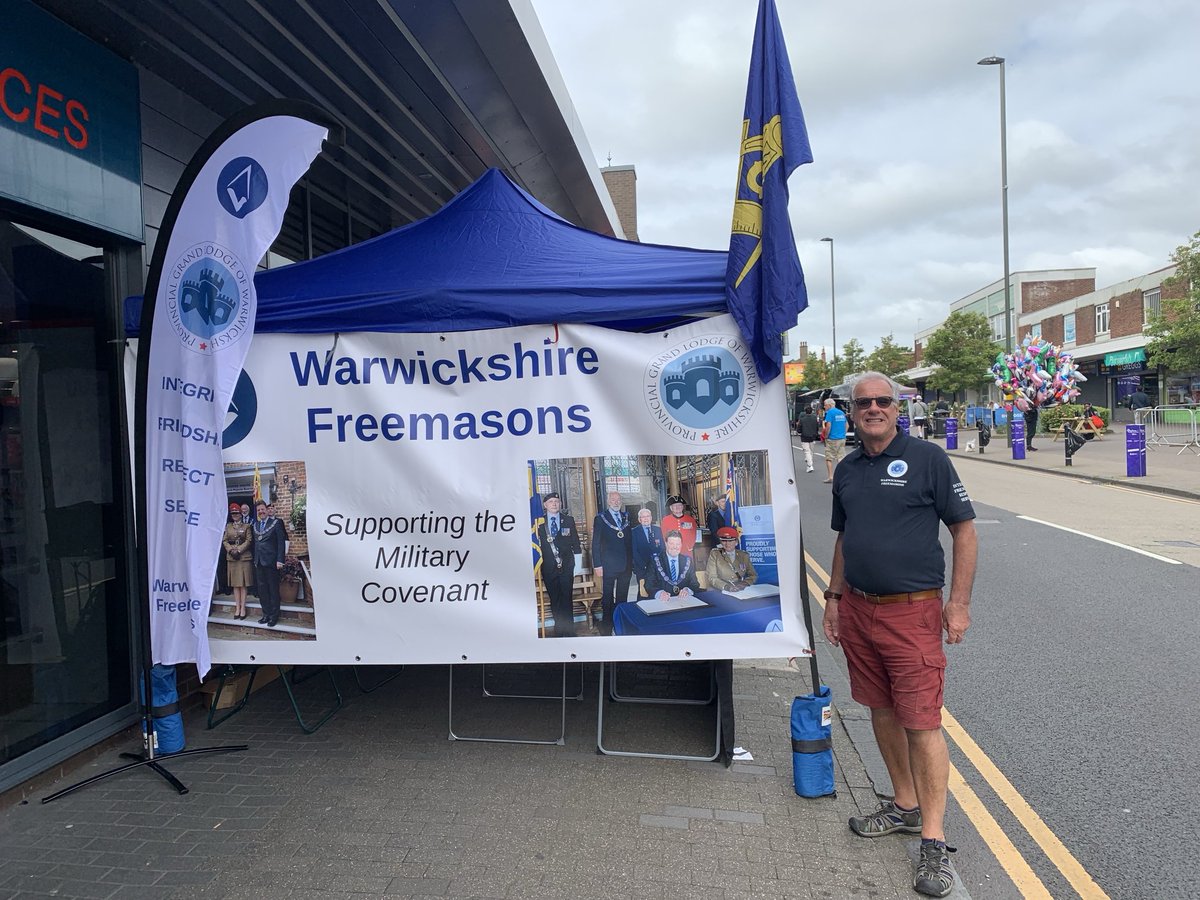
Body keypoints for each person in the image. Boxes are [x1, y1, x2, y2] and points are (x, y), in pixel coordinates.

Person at [823, 370, 977, 899]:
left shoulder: (928, 458)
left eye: (882, 401)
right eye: (863, 402)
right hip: (860, 611)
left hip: (912, 613)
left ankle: (933, 841)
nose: (872, 408)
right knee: (881, 711)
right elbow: (845, 538)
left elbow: (963, 529)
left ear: (897, 407)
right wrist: (834, 599)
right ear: (851, 409)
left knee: (922, 722)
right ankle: (905, 806)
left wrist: (957, 603)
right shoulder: (845, 470)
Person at [536, 492, 580, 637]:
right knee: (555, 600)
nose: (554, 504)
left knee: (566, 599)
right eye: (551, 502)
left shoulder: (568, 520)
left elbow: (576, 544)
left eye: (556, 501)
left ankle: (569, 630)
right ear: (545, 505)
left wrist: (578, 565)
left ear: (560, 504)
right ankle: (559, 630)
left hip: (567, 566)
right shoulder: (539, 523)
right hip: (549, 567)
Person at [591, 491, 632, 635]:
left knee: (622, 597)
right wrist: (597, 565)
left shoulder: (626, 517)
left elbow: (629, 542)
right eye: (613, 500)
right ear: (608, 502)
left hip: (626, 565)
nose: (616, 502)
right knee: (607, 598)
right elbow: (595, 543)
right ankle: (607, 626)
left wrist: (631, 563)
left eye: (618, 499)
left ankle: (620, 624)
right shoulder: (601, 518)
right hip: (608, 565)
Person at [251, 499, 288, 627]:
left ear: (267, 510)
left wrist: (280, 560)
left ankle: (274, 616)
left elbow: (281, 543)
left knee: (273, 590)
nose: (261, 512)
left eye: (262, 509)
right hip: (259, 563)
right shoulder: (255, 525)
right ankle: (266, 614)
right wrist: (255, 560)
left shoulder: (276, 523)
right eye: (259, 510)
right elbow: (255, 544)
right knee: (262, 591)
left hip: (272, 563)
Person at [645, 531, 701, 599]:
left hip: (683, 601)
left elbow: (695, 584)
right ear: (666, 544)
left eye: (678, 544)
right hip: (663, 602)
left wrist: (687, 590)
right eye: (671, 544)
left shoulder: (687, 561)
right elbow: (649, 584)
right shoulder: (655, 560)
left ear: (681, 545)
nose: (675, 547)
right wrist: (659, 593)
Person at [222, 502, 253, 620]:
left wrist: (238, 550)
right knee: (235, 584)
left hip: (243, 557)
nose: (235, 515)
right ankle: (237, 608)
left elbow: (249, 540)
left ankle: (243, 608)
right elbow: (224, 540)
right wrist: (230, 550)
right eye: (233, 513)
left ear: (241, 514)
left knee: (243, 584)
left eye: (237, 513)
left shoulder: (247, 526)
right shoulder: (228, 526)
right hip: (232, 558)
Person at [705, 527, 757, 592]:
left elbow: (753, 575)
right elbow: (712, 577)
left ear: (736, 542)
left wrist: (744, 583)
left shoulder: (744, 555)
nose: (727, 544)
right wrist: (726, 587)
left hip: (739, 590)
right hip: (720, 589)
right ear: (720, 541)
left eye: (730, 540)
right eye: (724, 541)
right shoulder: (715, 554)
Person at [631, 508, 664, 596]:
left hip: (657, 565)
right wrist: (643, 565)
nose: (646, 519)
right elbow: (634, 552)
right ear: (639, 519)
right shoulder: (634, 532)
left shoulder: (658, 530)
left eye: (648, 516)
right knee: (643, 590)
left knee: (656, 588)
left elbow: (662, 547)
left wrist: (659, 562)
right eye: (643, 517)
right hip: (642, 567)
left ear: (651, 517)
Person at [821, 398, 848, 484]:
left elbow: (828, 425)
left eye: (825, 405)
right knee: (840, 457)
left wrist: (826, 436)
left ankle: (830, 477)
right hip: (842, 438)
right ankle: (842, 476)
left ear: (829, 405)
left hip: (832, 438)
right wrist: (843, 434)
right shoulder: (841, 412)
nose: (824, 407)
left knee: (829, 458)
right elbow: (846, 425)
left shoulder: (830, 413)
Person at [795, 402, 820, 473]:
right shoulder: (814, 418)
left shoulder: (802, 420)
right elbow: (817, 427)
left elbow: (799, 429)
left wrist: (799, 432)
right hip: (813, 437)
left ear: (805, 412)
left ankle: (810, 465)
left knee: (807, 451)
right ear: (812, 411)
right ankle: (809, 463)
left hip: (804, 437)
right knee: (811, 451)